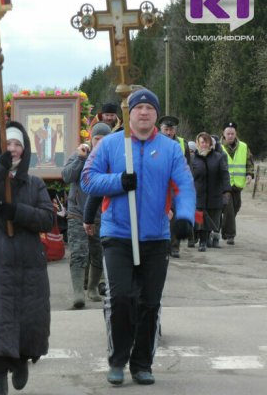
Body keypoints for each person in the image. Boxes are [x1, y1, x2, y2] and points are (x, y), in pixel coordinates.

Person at [81, 89, 195, 386]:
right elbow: (88, 178)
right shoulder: (110, 144)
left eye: (149, 108)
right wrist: (118, 182)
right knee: (121, 297)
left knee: (149, 302)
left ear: (156, 114)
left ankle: (142, 363)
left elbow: (184, 184)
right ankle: (118, 358)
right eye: (138, 108)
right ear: (128, 113)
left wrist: (183, 216)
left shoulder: (170, 149)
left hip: (155, 238)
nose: (144, 113)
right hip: (117, 234)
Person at [0, 122, 54, 395]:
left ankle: (21, 360)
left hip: (28, 264)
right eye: (8, 145)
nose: (13, 149)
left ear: (25, 150)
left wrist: (15, 211)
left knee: (27, 321)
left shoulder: (35, 184)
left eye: (18, 145)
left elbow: (47, 218)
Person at [62, 122, 111, 309]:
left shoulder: (110, 156)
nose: (99, 142)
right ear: (91, 138)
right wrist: (81, 159)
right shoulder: (78, 154)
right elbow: (66, 176)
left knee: (98, 252)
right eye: (97, 138)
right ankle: (78, 293)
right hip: (77, 212)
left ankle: (92, 289)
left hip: (101, 214)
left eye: (103, 139)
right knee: (78, 252)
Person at [191, 132, 231, 251]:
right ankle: (202, 242)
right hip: (199, 195)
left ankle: (210, 238)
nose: (204, 144)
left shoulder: (218, 157)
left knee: (213, 218)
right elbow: (188, 177)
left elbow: (224, 174)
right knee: (200, 219)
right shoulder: (193, 159)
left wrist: (226, 190)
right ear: (198, 144)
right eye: (201, 142)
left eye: (206, 142)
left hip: (215, 193)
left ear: (210, 143)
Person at [158, 115, 191, 258]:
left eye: (171, 129)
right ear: (161, 129)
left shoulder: (183, 143)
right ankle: (161, 245)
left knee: (175, 215)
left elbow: (188, 164)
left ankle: (174, 246)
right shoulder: (154, 141)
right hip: (159, 183)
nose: (169, 132)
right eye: (166, 129)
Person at [220, 122, 254, 245]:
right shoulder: (218, 147)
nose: (230, 136)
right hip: (224, 185)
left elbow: (249, 162)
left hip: (238, 185)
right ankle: (229, 235)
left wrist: (249, 174)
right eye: (228, 133)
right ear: (223, 134)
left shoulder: (244, 147)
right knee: (228, 209)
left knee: (236, 207)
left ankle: (222, 225)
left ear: (236, 134)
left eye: (232, 133)